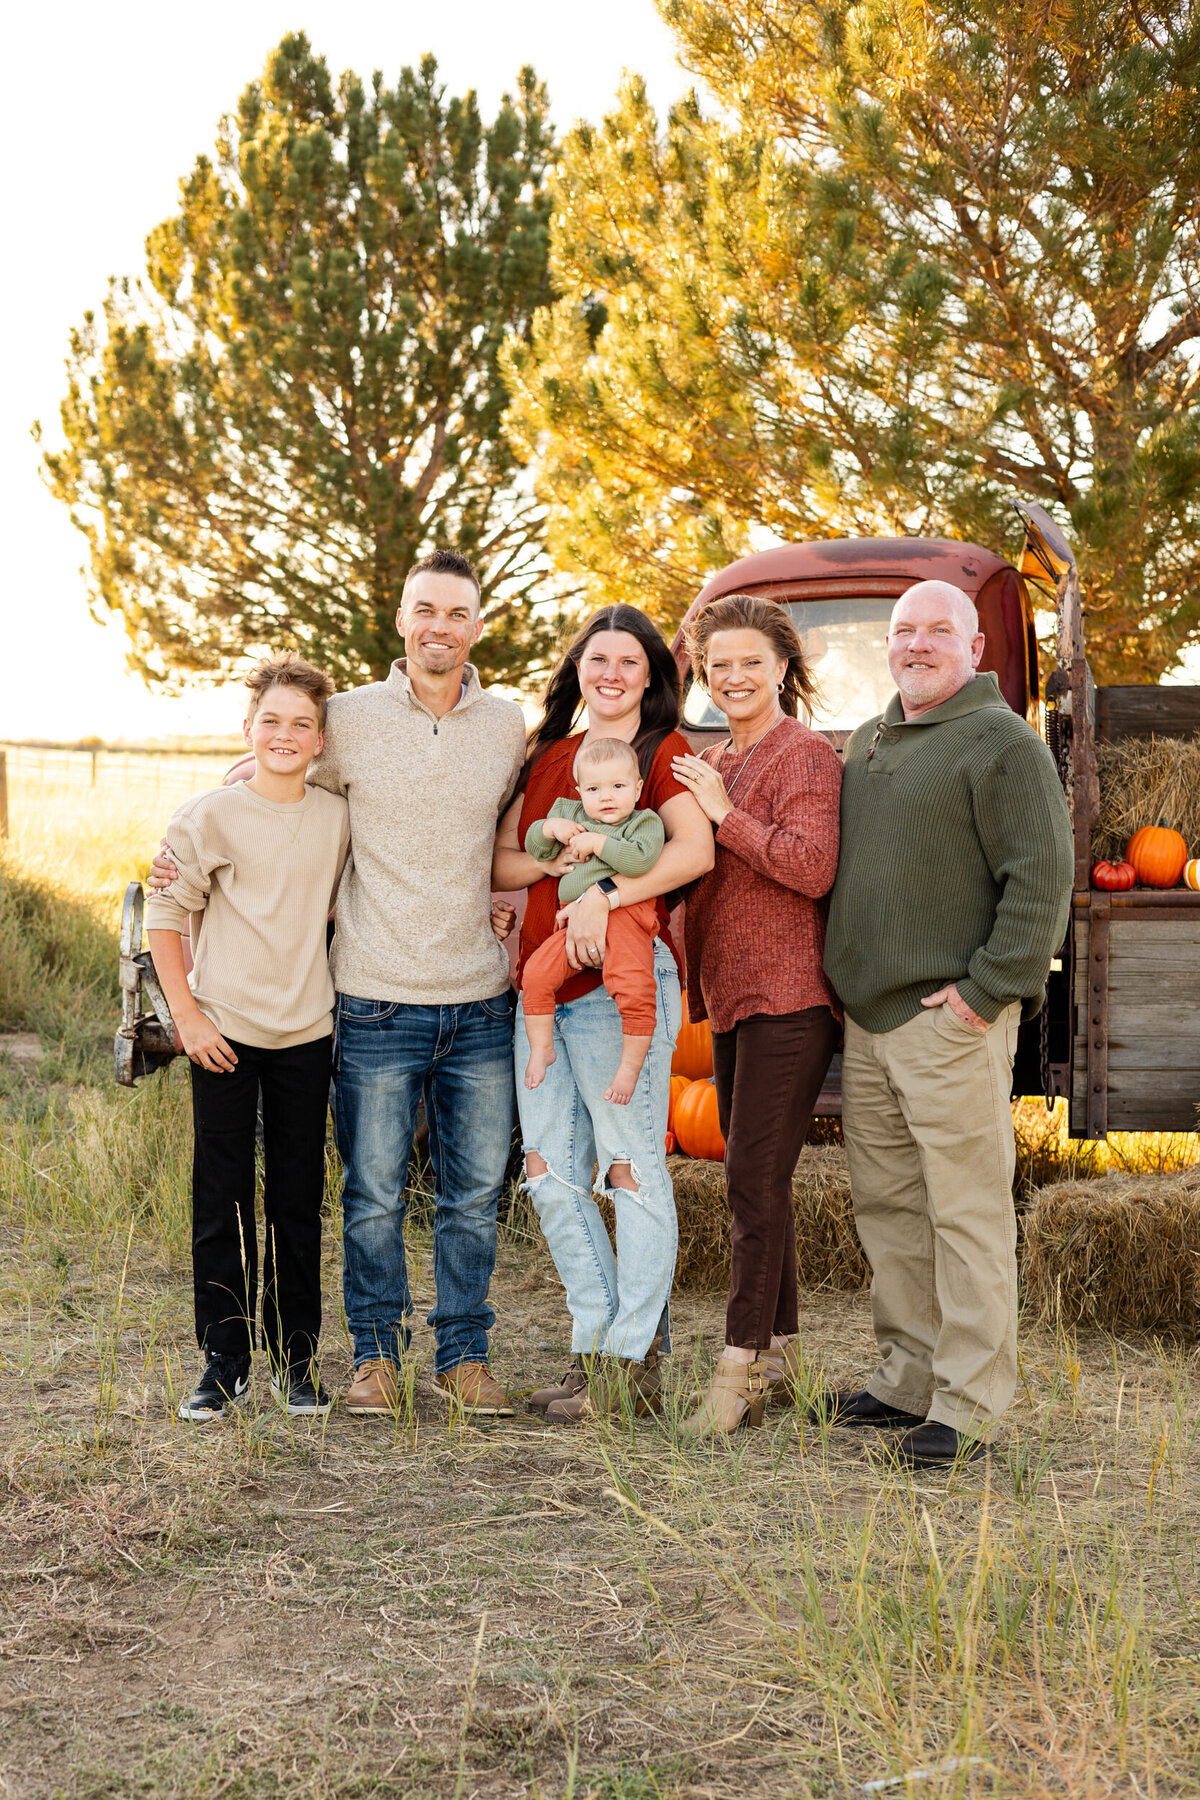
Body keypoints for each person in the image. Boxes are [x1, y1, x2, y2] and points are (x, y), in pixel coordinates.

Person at [152, 550, 527, 1420]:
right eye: (423, 609)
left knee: (414, 1198)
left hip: (423, 1006)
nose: (439, 626)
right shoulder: (343, 724)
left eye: (457, 613)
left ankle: (406, 1359)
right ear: (401, 618)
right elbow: (246, 807)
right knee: (328, 1197)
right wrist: (184, 989)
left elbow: (496, 834)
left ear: (477, 625)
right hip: (348, 1001)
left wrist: (510, 897)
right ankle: (309, 1360)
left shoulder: (505, 726)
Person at [822, 579, 1073, 1471]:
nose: (917, 644)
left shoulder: (1003, 743)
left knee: (965, 1211)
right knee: (889, 1205)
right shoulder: (868, 740)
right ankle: (906, 1375)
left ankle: (967, 1406)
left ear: (976, 649)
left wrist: (987, 992)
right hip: (871, 1016)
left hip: (950, 1019)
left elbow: (1041, 880)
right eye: (903, 630)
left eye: (939, 630)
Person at [492, 605, 714, 1423]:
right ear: (578, 670)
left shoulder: (665, 754)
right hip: (544, 986)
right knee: (549, 1172)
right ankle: (594, 1349)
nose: (612, 674)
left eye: (629, 661)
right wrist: (562, 850)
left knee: (629, 1170)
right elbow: (507, 858)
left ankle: (631, 1365)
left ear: (653, 674)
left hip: (625, 987)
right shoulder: (551, 758)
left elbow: (693, 852)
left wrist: (607, 895)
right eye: (598, 660)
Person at [147, 654, 350, 1423]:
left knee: (297, 1201)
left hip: (306, 1031)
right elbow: (164, 920)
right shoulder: (209, 816)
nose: (286, 734)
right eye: (272, 720)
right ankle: (225, 1360)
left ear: (321, 739)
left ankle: (296, 1363)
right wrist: (188, 1020)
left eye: (302, 723)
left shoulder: (336, 819)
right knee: (220, 1197)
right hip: (222, 1032)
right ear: (248, 729)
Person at [670, 595, 842, 1436]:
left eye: (749, 662)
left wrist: (721, 816)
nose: (732, 677)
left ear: (782, 666)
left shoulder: (803, 756)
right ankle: (788, 1363)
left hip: (793, 996)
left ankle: (735, 1373)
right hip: (734, 999)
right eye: (717, 664)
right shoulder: (715, 760)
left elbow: (810, 869)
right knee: (757, 1184)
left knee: (750, 1182)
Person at [521, 736, 666, 1104]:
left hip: (626, 915)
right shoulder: (570, 815)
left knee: (632, 986)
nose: (606, 796)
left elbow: (640, 862)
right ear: (579, 791)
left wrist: (598, 844)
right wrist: (551, 828)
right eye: (594, 788)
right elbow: (535, 846)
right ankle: (541, 1048)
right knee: (535, 975)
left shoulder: (644, 822)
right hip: (573, 922)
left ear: (637, 789)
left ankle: (630, 1067)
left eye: (618, 786)